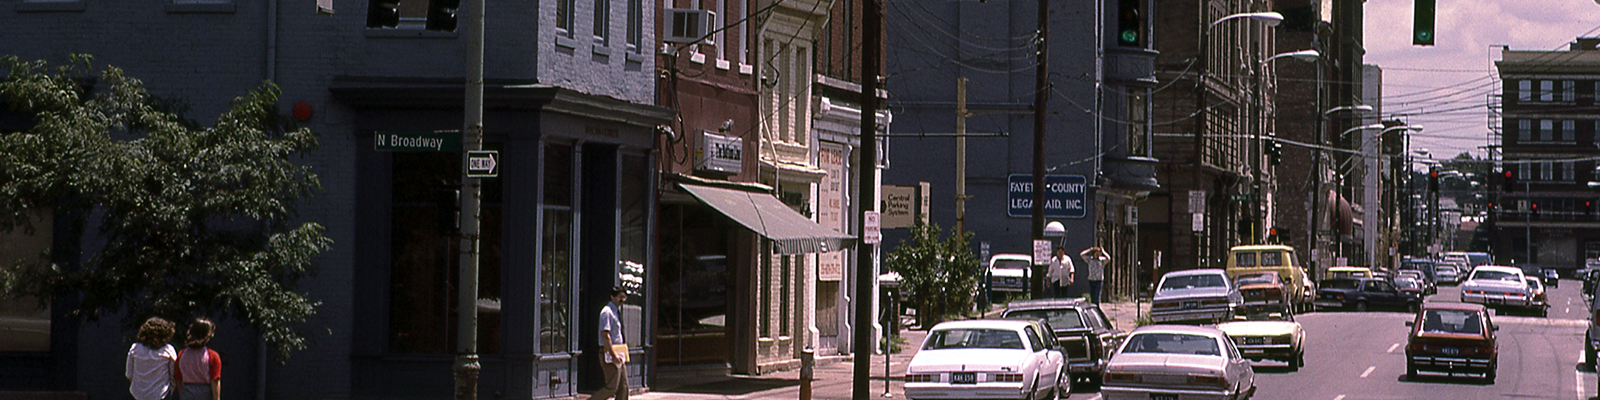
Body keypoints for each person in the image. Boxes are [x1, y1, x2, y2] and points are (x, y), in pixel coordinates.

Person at [126, 317, 177, 400]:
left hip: (137, 395)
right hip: (161, 395)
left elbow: (129, 374)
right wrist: (170, 391)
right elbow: (173, 375)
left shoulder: (135, 348)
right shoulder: (168, 350)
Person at [593, 286, 629, 400]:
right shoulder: (607, 312)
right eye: (620, 297)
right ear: (612, 297)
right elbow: (605, 335)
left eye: (624, 297)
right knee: (612, 387)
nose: (622, 300)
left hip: (620, 352)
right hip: (609, 352)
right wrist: (613, 355)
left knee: (624, 386)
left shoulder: (617, 312)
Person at [173, 318, 221, 400]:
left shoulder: (182, 355)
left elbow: (178, 378)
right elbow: (215, 381)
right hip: (205, 394)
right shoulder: (212, 356)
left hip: (186, 392)